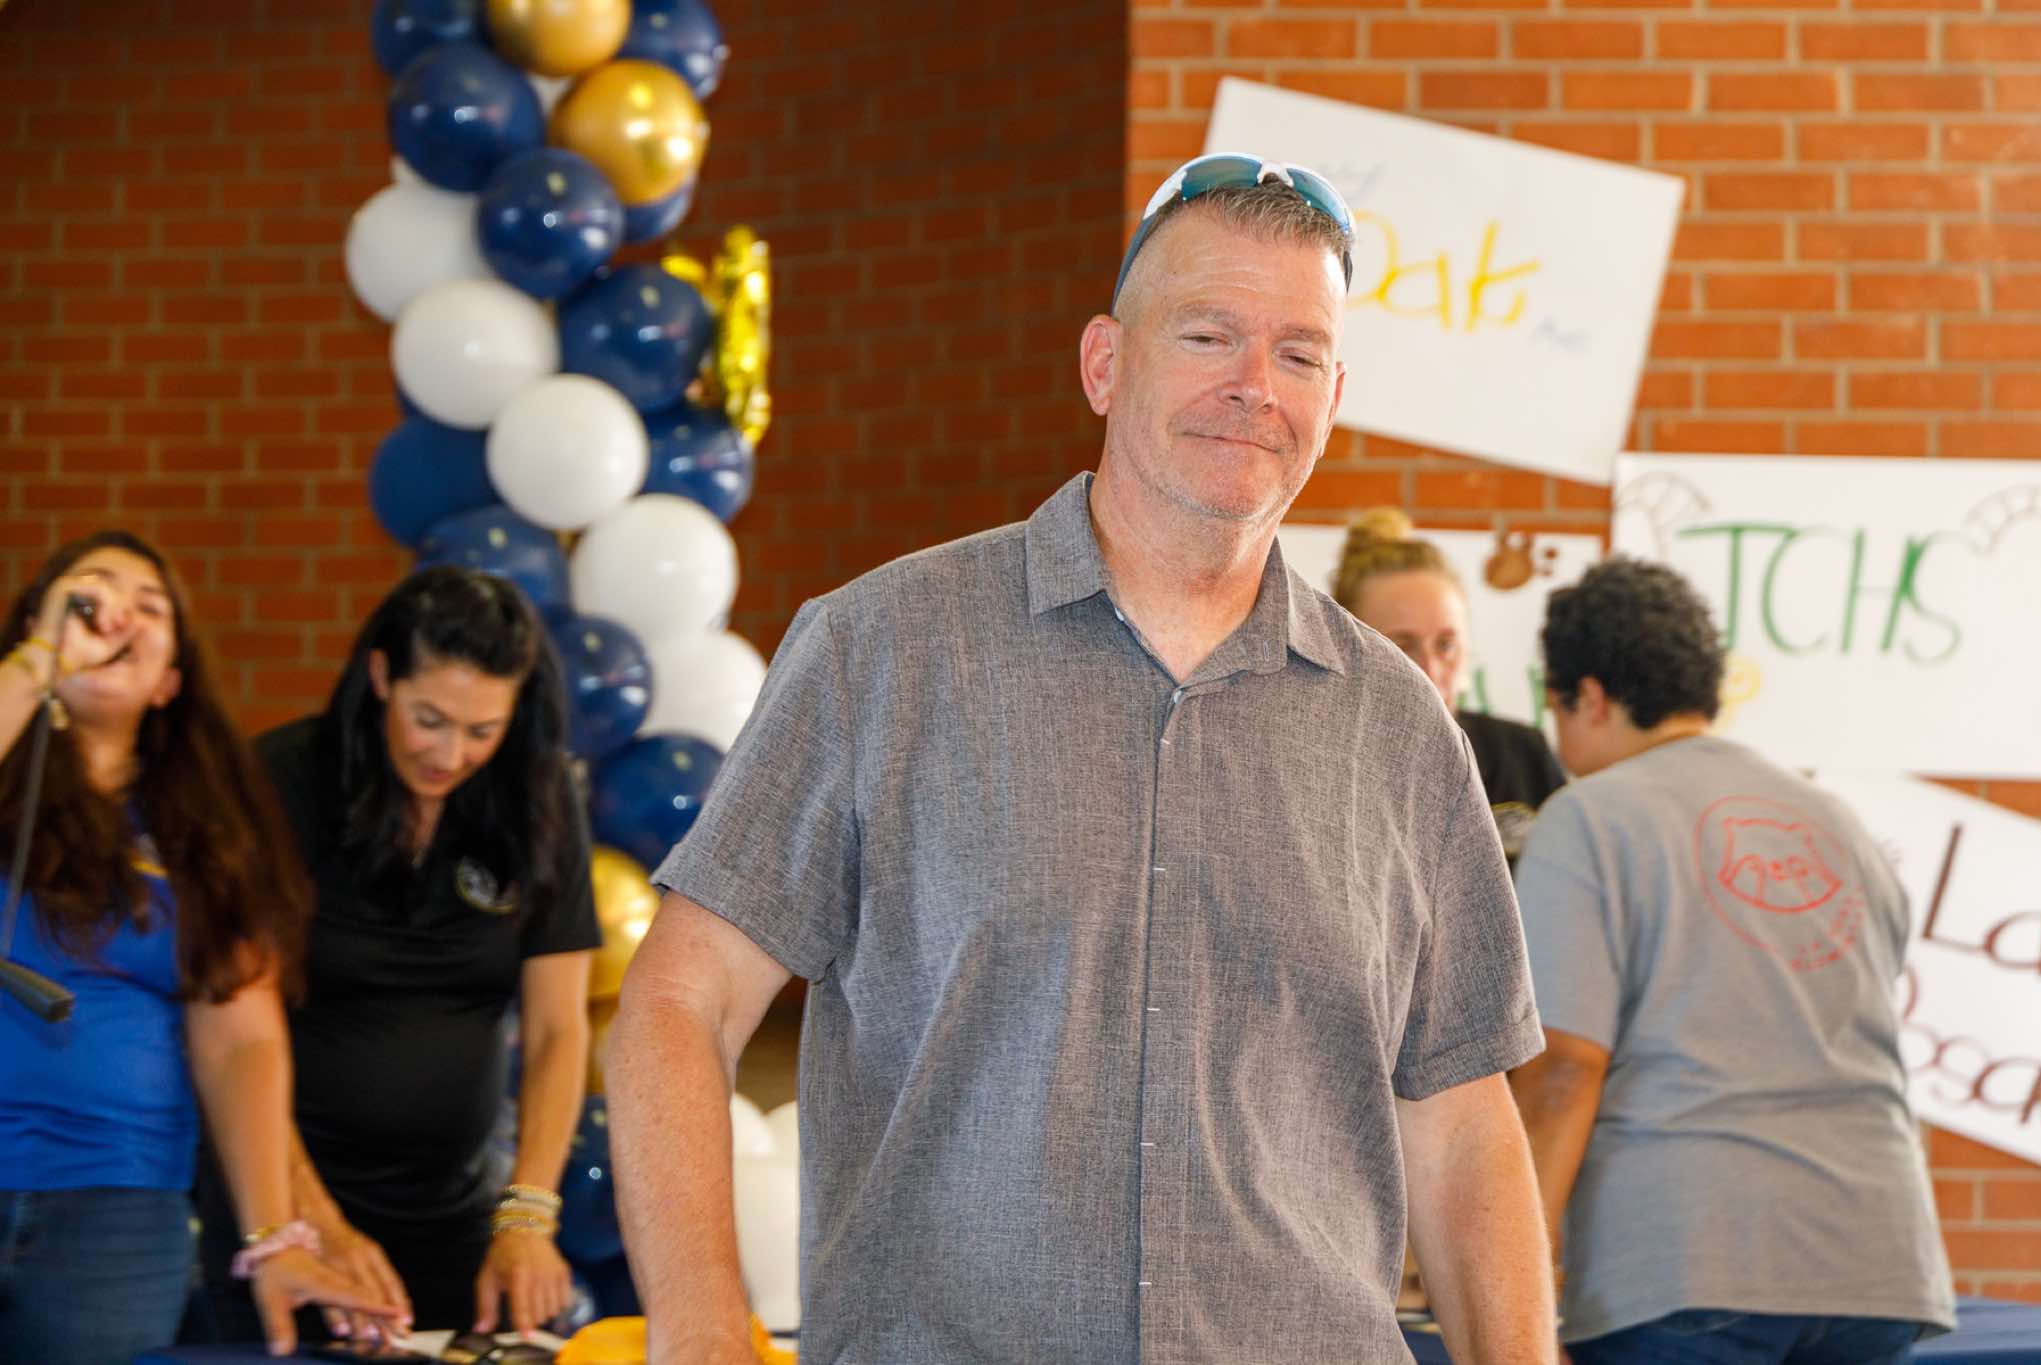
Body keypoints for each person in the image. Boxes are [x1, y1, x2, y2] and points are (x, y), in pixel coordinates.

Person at [609, 153, 1556, 1363]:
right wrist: (697, 1330)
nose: (1253, 386)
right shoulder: (880, 652)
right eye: (1208, 336)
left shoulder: (1400, 731)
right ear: (1104, 364)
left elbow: (1461, 1123)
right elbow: (677, 1003)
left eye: (1298, 353)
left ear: (1332, 396)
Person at [1508, 558, 1955, 1363]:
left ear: (1591, 697)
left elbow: (1566, 1067)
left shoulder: (1589, 817)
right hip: (1881, 1261)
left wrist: (1513, 1291)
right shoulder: (1839, 823)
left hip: (1690, 1263)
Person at [0, 532, 397, 1365]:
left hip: (113, 1208)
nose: (115, 618)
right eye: (89, 595)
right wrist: (39, 661)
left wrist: (273, 1235)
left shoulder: (206, 831)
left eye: (148, 608)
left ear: (169, 680)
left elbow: (241, 1039)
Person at [192, 566, 600, 1340]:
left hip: (454, 1211)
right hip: (282, 1203)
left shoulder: (537, 796)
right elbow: (236, 1031)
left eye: (482, 730)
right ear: (381, 676)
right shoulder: (279, 779)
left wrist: (527, 1214)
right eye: (429, 719)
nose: (450, 753)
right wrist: (311, 1220)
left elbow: (556, 1028)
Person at [1332, 508, 1566, 861]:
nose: (1429, 669)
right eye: (1402, 647)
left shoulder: (1520, 755)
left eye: (1445, 645)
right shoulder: (1316, 767)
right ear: (1345, 650)